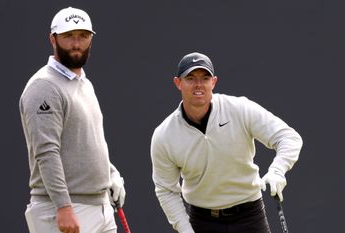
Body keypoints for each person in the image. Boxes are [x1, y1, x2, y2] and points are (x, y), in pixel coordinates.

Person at [150, 52, 303, 233]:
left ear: (213, 82)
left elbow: (288, 137)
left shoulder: (239, 109)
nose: (198, 85)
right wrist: (185, 230)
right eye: (190, 78)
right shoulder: (164, 135)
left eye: (205, 78)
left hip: (249, 215)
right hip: (202, 220)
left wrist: (278, 170)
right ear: (178, 83)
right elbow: (166, 190)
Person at [19, 7, 126, 233]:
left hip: (99, 207)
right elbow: (46, 151)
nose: (76, 44)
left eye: (83, 36)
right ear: (53, 39)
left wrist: (110, 175)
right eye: (68, 36)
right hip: (63, 210)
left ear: (91, 40)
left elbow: (86, 143)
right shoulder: (44, 86)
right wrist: (63, 207)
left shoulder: (84, 84)